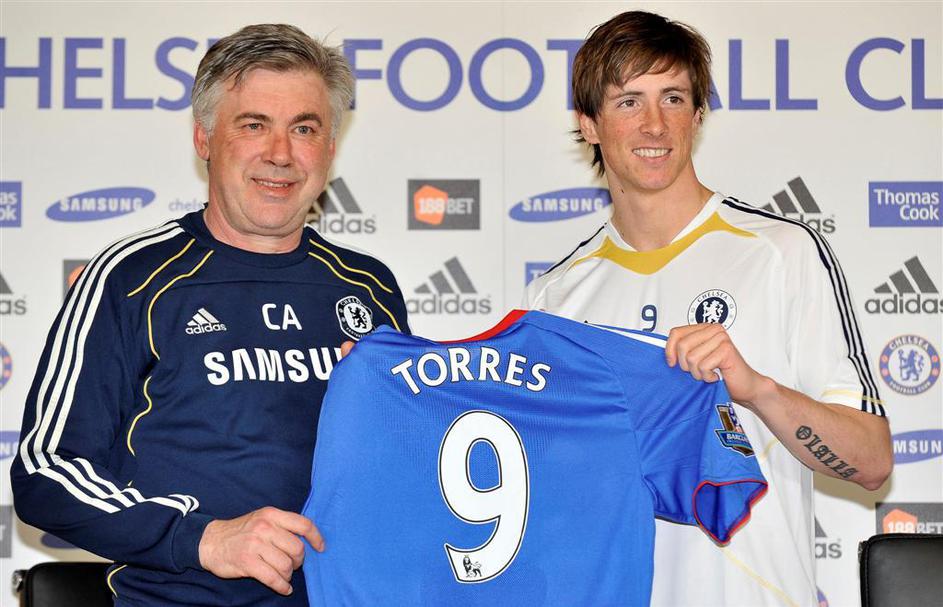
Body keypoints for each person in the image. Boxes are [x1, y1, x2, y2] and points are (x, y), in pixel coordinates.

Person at [11, 24, 408, 607]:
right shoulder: (130, 279)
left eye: (304, 128)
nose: (281, 153)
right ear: (204, 138)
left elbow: (403, 472)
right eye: (254, 125)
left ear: (329, 147)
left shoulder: (369, 288)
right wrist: (203, 539)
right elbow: (46, 472)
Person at [523, 10, 892, 607]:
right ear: (588, 124)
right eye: (628, 101)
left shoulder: (781, 252)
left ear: (697, 115)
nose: (655, 124)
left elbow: (872, 462)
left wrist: (757, 390)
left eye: (673, 98)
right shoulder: (553, 297)